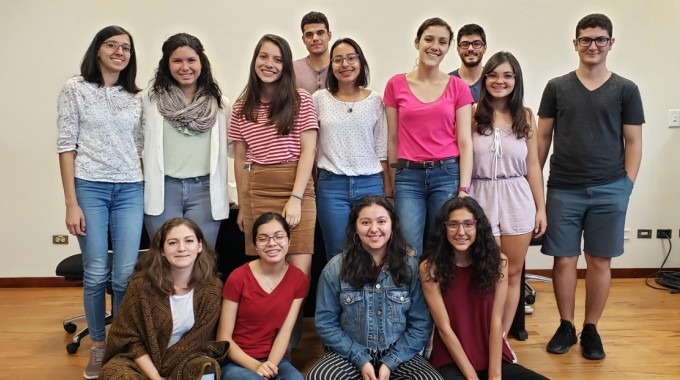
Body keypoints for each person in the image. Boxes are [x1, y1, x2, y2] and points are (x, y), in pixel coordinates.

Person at [537, 13, 644, 360]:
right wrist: (533, 184)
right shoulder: (557, 87)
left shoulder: (626, 89)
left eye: (600, 39)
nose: (593, 45)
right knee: (564, 260)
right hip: (563, 189)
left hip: (610, 189)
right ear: (575, 43)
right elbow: (541, 137)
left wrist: (625, 186)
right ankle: (566, 325)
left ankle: (591, 328)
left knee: (600, 261)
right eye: (586, 39)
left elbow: (634, 141)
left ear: (611, 43)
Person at [57, 25, 144, 379]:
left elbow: (139, 146)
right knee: (95, 273)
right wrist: (70, 202)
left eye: (126, 47)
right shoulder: (74, 89)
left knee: (124, 275)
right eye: (112, 45)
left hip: (130, 189)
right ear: (98, 50)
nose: (120, 52)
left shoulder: (136, 96)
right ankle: (97, 344)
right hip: (89, 187)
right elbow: (66, 146)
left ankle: (119, 346)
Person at [307, 196, 443, 380]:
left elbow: (420, 325)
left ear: (392, 226)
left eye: (381, 221)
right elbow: (325, 323)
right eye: (365, 222)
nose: (374, 229)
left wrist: (391, 362)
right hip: (349, 354)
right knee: (319, 377)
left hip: (399, 353)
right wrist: (360, 359)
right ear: (355, 227)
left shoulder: (411, 268)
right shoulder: (335, 268)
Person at [420, 197, 547, 380]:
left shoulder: (498, 262)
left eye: (468, 224)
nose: (461, 232)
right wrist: (472, 378)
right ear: (443, 228)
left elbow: (496, 321)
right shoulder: (429, 268)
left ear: (478, 227)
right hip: (452, 358)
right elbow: (444, 328)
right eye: (453, 224)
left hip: (491, 355)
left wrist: (495, 375)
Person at [471, 51, 546, 338]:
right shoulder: (472, 113)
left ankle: (500, 340)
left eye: (507, 75)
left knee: (513, 274)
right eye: (493, 74)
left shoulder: (524, 116)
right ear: (485, 78)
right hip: (481, 194)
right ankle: (480, 337)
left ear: (516, 80)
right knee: (485, 274)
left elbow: (533, 166)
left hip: (517, 196)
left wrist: (541, 208)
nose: (499, 81)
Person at [384, 17, 474, 257]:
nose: (435, 46)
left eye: (443, 42)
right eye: (429, 39)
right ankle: (413, 296)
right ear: (417, 42)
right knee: (409, 249)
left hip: (446, 175)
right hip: (408, 176)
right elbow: (392, 138)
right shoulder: (395, 84)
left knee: (441, 247)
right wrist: (392, 184)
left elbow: (465, 141)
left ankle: (438, 296)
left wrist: (464, 188)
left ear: (448, 49)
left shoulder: (458, 87)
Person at [230, 34, 318, 277]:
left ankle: (295, 318)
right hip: (257, 189)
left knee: (299, 272)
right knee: (269, 268)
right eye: (264, 56)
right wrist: (242, 204)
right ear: (255, 60)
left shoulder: (302, 100)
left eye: (277, 60)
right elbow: (240, 160)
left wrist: (296, 197)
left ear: (286, 66)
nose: (269, 64)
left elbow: (308, 151)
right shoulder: (241, 106)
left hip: (296, 186)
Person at [100, 217, 227, 380]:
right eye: (173, 243)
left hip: (186, 361)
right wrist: (156, 377)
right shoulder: (142, 285)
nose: (182, 248)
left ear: (199, 246)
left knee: (207, 370)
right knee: (114, 374)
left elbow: (199, 341)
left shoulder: (212, 288)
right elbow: (128, 338)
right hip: (140, 363)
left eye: (189, 241)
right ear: (162, 250)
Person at [143, 33, 230, 248]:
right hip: (164, 189)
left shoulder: (220, 105)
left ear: (202, 63)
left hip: (204, 191)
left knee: (202, 258)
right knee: (164, 257)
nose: (185, 67)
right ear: (167, 65)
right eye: (177, 61)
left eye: (191, 60)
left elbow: (232, 149)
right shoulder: (149, 101)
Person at [314, 37, 388, 260]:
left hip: (371, 183)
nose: (345, 64)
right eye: (338, 60)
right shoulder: (319, 99)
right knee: (338, 253)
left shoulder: (375, 100)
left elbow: (382, 149)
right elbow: (310, 146)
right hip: (331, 185)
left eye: (351, 58)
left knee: (374, 249)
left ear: (360, 62)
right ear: (331, 66)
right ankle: (341, 296)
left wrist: (389, 191)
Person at [218, 212, 308, 380]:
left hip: (274, 359)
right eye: (263, 238)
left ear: (289, 241)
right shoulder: (238, 277)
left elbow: (285, 333)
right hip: (237, 359)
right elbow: (224, 338)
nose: (272, 243)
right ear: (255, 245)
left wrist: (270, 366)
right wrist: (257, 366)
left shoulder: (298, 279)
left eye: (279, 236)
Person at [294, 11, 332, 94]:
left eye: (320, 33)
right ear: (303, 40)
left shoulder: (340, 67)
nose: (315, 38)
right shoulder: (293, 69)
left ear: (329, 36)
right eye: (309, 34)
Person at [449, 24, 487, 102]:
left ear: (485, 48)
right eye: (465, 44)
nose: (470, 48)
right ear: (458, 50)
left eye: (476, 44)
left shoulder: (493, 81)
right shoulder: (446, 82)